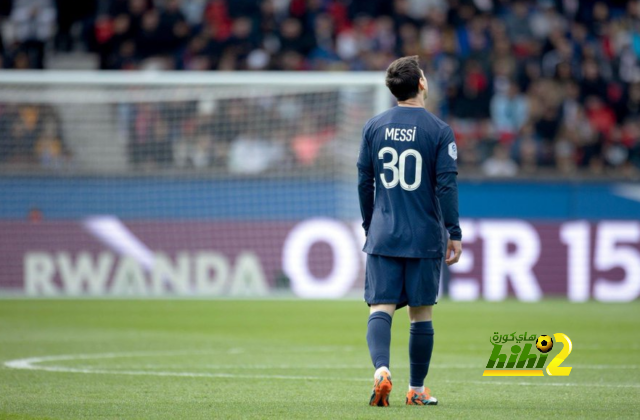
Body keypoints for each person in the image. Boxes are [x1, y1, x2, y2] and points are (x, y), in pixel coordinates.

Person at [357, 55, 462, 407]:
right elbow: (446, 187)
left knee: (380, 308)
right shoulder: (438, 130)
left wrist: (369, 224)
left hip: (384, 232)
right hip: (424, 235)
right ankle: (416, 390)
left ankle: (381, 370)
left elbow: (364, 180)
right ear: (421, 83)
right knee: (421, 313)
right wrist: (455, 232)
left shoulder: (373, 126)